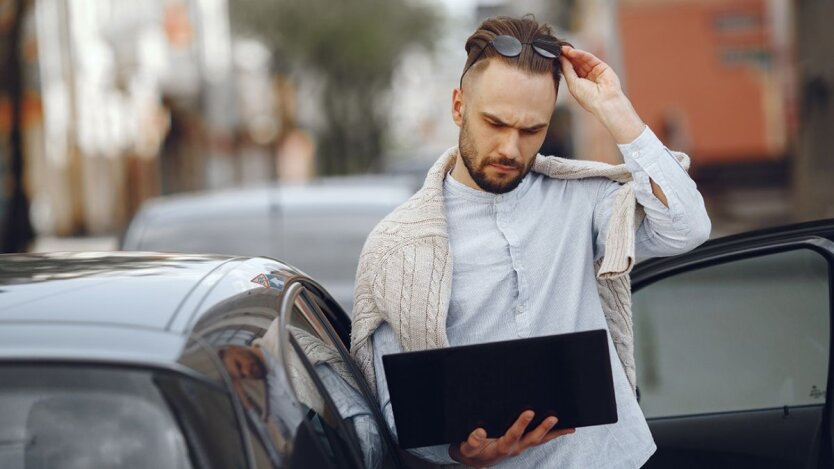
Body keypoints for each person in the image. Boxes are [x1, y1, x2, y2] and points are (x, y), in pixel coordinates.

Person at [350, 15, 711, 468]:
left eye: (530, 131)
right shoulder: (397, 247)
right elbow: (392, 406)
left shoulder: (583, 201)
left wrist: (614, 109)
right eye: (495, 123)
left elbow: (687, 227)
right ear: (459, 107)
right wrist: (459, 450)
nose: (510, 149)